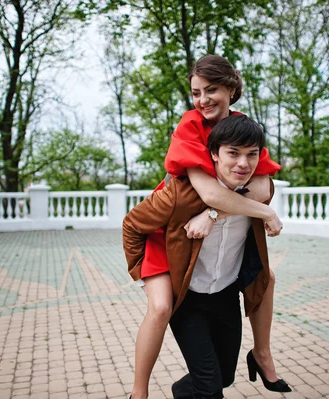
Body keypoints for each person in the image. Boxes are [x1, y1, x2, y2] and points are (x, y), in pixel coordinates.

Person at [129, 55, 290, 399]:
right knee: (160, 309)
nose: (203, 100)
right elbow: (208, 192)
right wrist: (259, 212)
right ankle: (138, 393)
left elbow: (262, 188)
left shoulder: (243, 128)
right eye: (196, 92)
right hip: (170, 232)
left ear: (232, 88)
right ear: (217, 153)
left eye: (212, 89)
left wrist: (216, 214)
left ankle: (261, 354)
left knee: (266, 278)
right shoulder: (190, 125)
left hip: (215, 265)